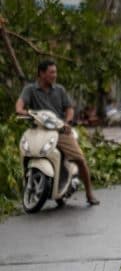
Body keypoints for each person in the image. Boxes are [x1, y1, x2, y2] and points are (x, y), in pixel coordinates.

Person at [15, 59, 100, 205]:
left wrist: (67, 122)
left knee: (80, 159)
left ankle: (89, 193)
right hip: (39, 130)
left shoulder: (59, 90)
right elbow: (19, 106)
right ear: (41, 74)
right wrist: (25, 112)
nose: (55, 75)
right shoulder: (30, 89)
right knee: (27, 153)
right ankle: (30, 184)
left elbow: (69, 108)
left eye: (55, 72)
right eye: (51, 72)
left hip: (60, 131)